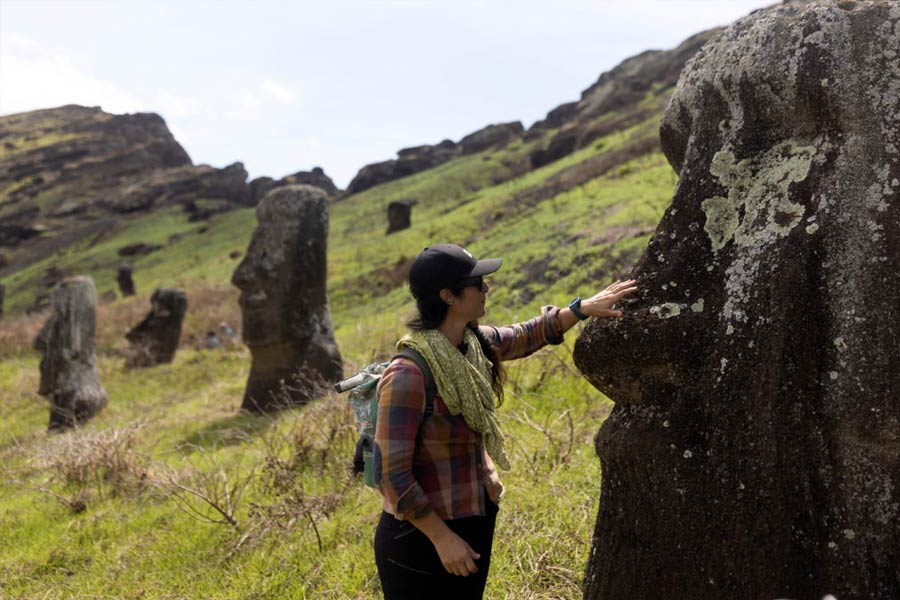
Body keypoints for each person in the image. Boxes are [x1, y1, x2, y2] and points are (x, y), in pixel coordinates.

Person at [372, 243, 637, 599]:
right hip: (421, 538)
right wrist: (442, 539)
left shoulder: (472, 344)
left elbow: (526, 334)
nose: (486, 288)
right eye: (476, 284)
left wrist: (581, 309)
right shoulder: (408, 374)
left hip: (471, 519)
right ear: (448, 296)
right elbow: (392, 475)